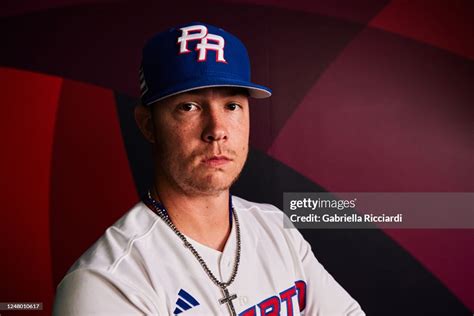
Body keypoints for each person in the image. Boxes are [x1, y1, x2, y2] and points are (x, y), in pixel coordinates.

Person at [53, 22, 365, 316]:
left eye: (232, 106)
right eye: (189, 106)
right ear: (148, 124)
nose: (217, 129)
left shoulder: (274, 228)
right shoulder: (108, 281)